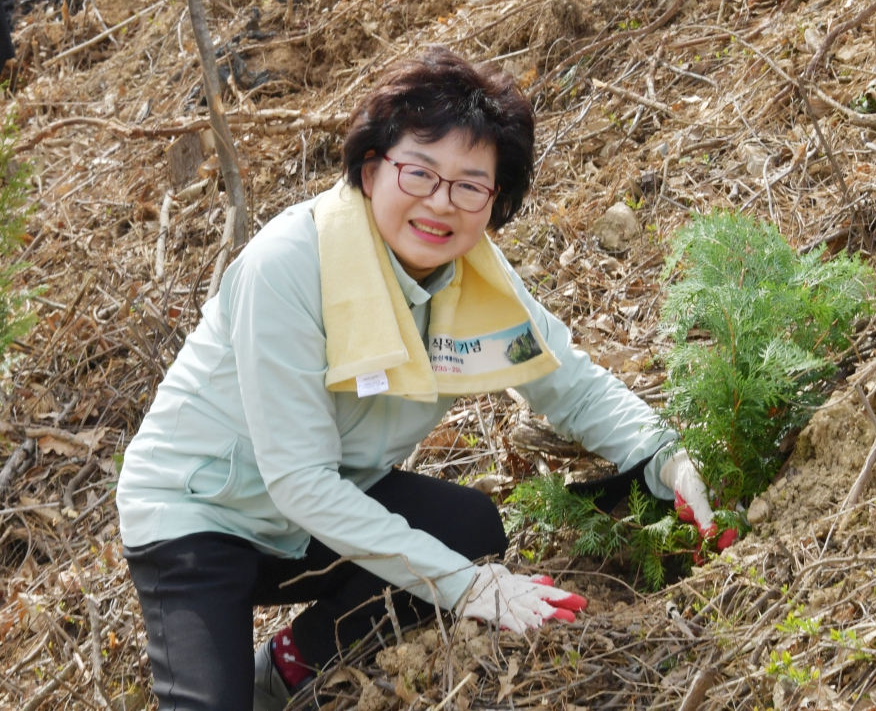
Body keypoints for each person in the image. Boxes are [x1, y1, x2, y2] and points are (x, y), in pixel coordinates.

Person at [116, 48, 713, 711]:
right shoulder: (287, 266)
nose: (440, 204)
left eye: (469, 185)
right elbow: (298, 480)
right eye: (419, 173)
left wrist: (664, 457)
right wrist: (465, 588)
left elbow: (567, 382)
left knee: (468, 527)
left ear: (495, 200)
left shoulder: (475, 278)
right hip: (201, 515)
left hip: (325, 501)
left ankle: (288, 667)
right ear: (373, 170)